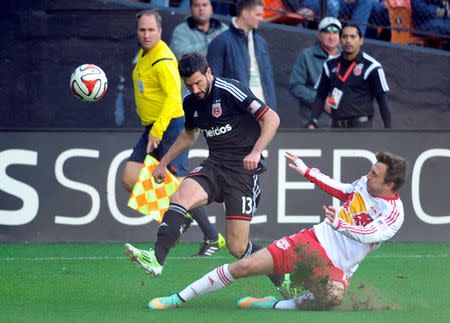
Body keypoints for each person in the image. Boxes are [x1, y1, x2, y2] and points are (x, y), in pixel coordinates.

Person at [147, 150, 408, 310]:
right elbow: (342, 189)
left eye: (375, 174)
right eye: (371, 170)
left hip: (338, 268)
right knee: (244, 267)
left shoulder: (393, 216)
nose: (368, 175)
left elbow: (369, 234)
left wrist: (341, 223)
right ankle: (177, 298)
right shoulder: (364, 182)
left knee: (332, 298)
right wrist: (308, 171)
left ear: (391, 185)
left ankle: (273, 305)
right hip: (312, 242)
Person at [125, 52, 281, 285]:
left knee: (237, 247)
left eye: (198, 82)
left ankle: (281, 276)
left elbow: (271, 118)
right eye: (189, 85)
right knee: (180, 195)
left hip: (242, 173)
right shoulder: (190, 102)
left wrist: (256, 151)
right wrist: (164, 162)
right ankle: (156, 260)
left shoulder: (230, 90)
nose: (196, 89)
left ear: (208, 72)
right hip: (215, 165)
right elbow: (190, 134)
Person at [122, 10, 225, 261]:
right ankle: (182, 215)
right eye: (142, 30)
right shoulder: (143, 56)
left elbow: (173, 99)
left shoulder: (164, 60)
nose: (146, 35)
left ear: (160, 31)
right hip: (152, 128)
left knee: (181, 185)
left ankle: (212, 236)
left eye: (151, 30)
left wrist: (157, 132)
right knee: (129, 178)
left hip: (169, 126)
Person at [307, 23, 392, 129]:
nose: (348, 41)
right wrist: (313, 121)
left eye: (352, 37)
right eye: (344, 36)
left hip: (361, 126)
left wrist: (389, 129)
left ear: (361, 40)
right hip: (336, 125)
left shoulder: (372, 66)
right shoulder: (330, 64)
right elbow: (320, 95)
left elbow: (382, 100)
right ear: (340, 39)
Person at [207, 0, 277, 109]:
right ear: (245, 13)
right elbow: (214, 82)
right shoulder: (220, 42)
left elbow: (268, 79)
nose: (261, 19)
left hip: (264, 110)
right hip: (236, 112)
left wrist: (272, 109)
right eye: (258, 15)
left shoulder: (261, 42)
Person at [289, 17, 342, 128]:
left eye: (335, 32)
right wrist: (322, 101)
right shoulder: (307, 55)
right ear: (319, 35)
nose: (331, 37)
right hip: (314, 123)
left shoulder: (347, 58)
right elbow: (296, 86)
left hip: (343, 123)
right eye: (327, 32)